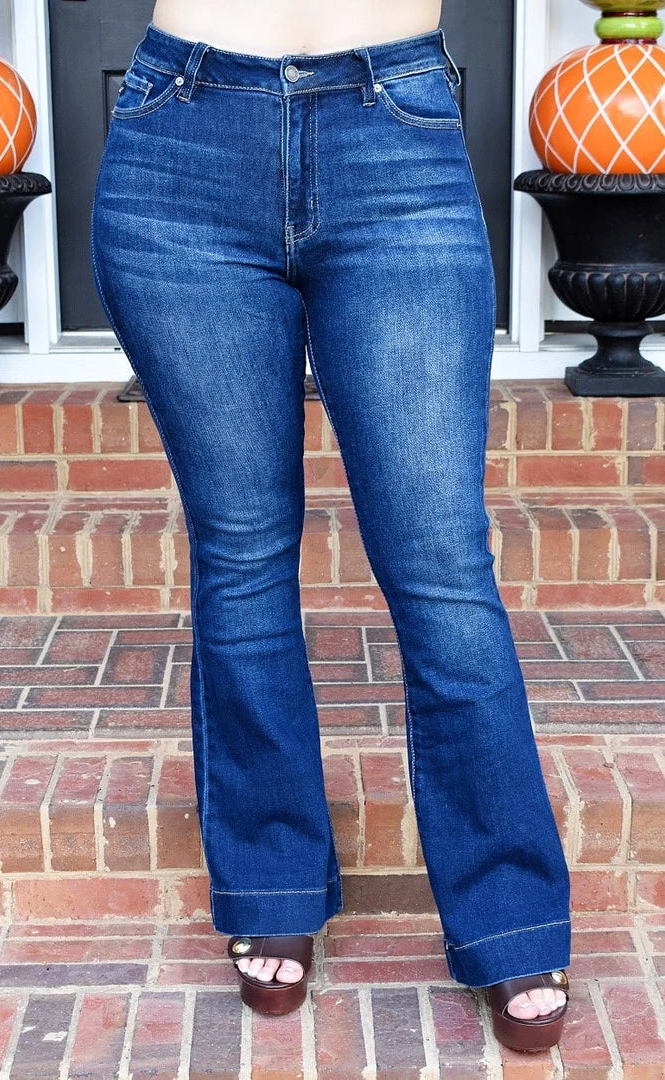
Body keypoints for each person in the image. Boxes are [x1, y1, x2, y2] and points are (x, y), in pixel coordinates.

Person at [90, 0, 571, 1052]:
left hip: (391, 133)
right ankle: (271, 881)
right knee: (241, 552)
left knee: (441, 564)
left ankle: (509, 911)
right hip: (181, 140)